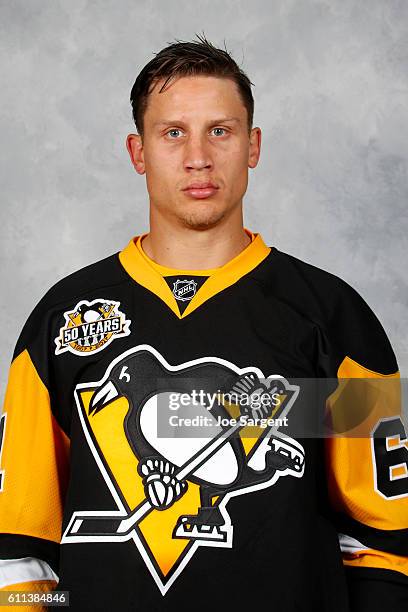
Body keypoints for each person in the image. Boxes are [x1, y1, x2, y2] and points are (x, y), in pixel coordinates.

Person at [0, 33, 407, 612]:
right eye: (173, 133)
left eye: (221, 130)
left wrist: (262, 415)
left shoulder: (337, 318)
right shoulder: (60, 319)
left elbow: (386, 542)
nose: (198, 157)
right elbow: (21, 553)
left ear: (253, 146)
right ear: (137, 152)